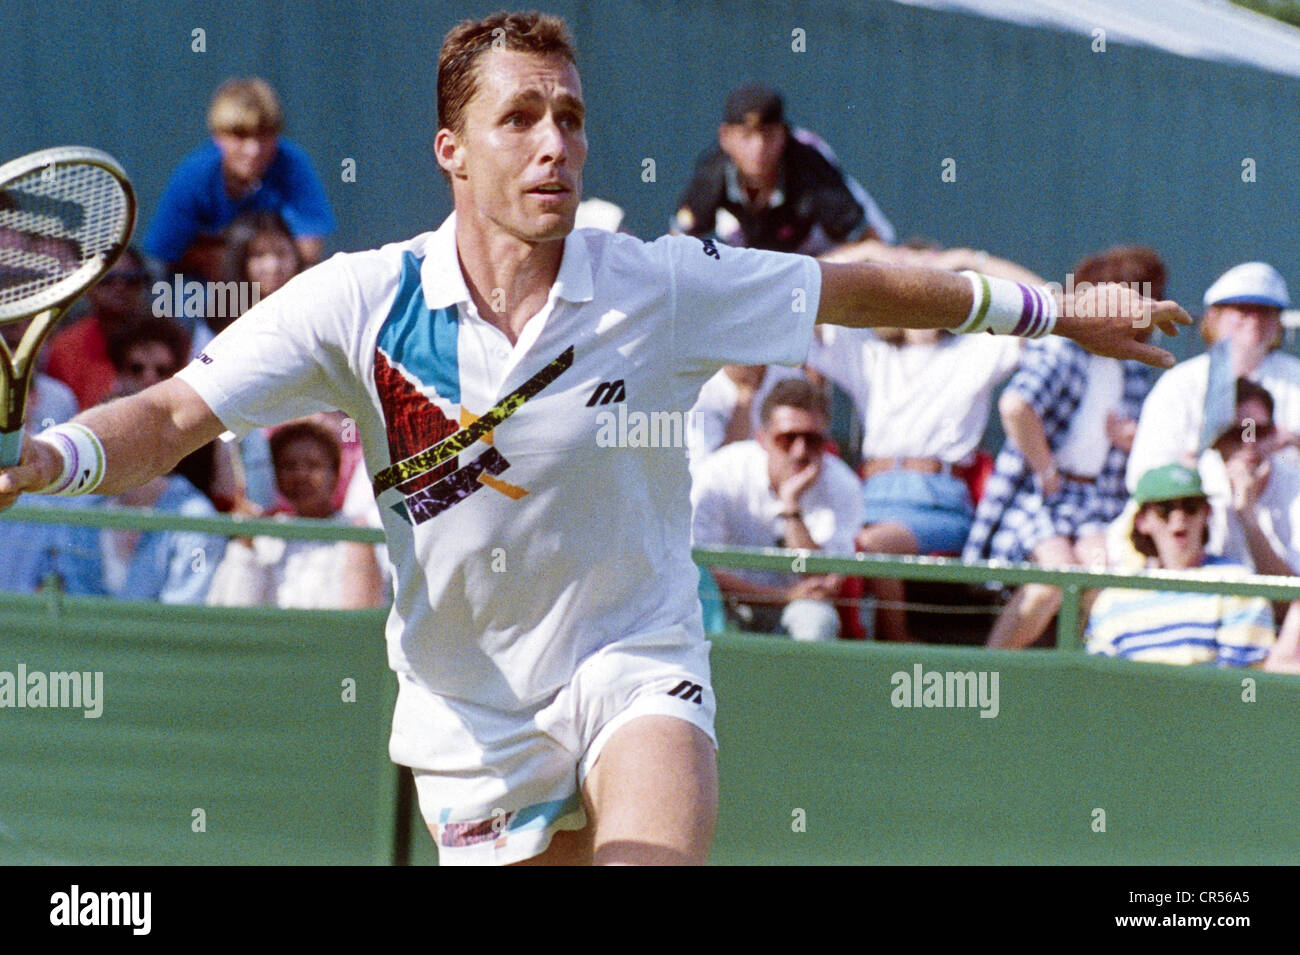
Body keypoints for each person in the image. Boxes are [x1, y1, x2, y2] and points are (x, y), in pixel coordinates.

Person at [0, 11, 1188, 866]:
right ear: (450, 151)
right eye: (519, 117)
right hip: (471, 713)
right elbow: (171, 414)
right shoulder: (358, 301)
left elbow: (853, 286)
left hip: (633, 651)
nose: (554, 141)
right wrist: (51, 460)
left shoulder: (657, 282)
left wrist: (1053, 306)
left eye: (569, 114)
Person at [965, 246, 1167, 648]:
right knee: (1051, 583)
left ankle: (1068, 674)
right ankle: (987, 667)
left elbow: (1146, 439)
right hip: (1040, 497)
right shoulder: (1061, 349)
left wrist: (1131, 438)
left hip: (1095, 502)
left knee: (1100, 578)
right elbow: (1015, 406)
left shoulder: (1133, 367)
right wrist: (1046, 471)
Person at [691, 379, 862, 641]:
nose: (800, 451)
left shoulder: (843, 484)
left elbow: (824, 578)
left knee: (816, 621)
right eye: (787, 438)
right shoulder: (721, 473)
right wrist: (782, 596)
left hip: (798, 609)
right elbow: (701, 569)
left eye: (813, 440)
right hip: (725, 604)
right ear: (762, 438)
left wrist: (791, 506)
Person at [144, 78, 336, 282]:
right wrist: (226, 258)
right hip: (203, 291)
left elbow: (309, 251)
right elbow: (162, 255)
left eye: (264, 134)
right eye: (240, 135)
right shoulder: (195, 175)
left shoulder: (292, 164)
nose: (253, 150)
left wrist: (261, 255)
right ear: (217, 135)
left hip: (276, 289)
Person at [1127, 261, 1298, 489]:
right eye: (1243, 309)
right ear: (1215, 316)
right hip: (1202, 512)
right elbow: (1144, 472)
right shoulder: (1181, 382)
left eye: (1266, 311)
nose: (1254, 320)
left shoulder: (1295, 376)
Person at [1086, 464, 1275, 667]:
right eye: (1164, 509)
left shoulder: (1238, 581)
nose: (1179, 517)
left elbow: (1239, 675)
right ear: (1142, 521)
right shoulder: (1115, 597)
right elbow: (1101, 679)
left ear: (1206, 512)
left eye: (1190, 505)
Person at [674, 82, 893, 255]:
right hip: (764, 257)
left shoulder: (811, 169)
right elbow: (677, 243)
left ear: (784, 135)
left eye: (768, 135)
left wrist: (822, 269)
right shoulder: (713, 172)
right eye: (746, 135)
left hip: (821, 259)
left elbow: (873, 245)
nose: (758, 148)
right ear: (725, 137)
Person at [205, 419, 385, 609]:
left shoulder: (355, 534)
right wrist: (245, 545)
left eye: (313, 465)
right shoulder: (266, 536)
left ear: (335, 473)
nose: (300, 475)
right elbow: (234, 609)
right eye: (289, 466)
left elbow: (358, 616)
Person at [1199, 379, 1300, 577]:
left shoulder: (1296, 487)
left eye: (1259, 431)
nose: (1249, 444)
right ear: (1216, 441)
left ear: (1274, 433)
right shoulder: (1195, 485)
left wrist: (1249, 518)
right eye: (1238, 433)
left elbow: (1294, 599)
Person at [43, 246, 151, 410]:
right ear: (87, 286)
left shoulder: (169, 342)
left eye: (131, 280)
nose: (119, 288)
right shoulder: (64, 347)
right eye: (107, 279)